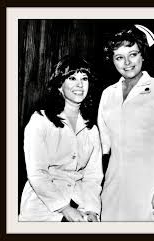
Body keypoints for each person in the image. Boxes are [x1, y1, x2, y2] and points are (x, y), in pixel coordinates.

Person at [98, 24, 154, 221]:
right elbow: (102, 146)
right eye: (119, 57)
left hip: (152, 186)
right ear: (113, 61)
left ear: (143, 55)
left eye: (133, 54)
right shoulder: (108, 94)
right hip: (114, 187)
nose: (127, 62)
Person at [19, 55, 103, 222]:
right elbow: (37, 174)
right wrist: (65, 208)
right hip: (41, 209)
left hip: (81, 206)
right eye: (72, 78)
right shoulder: (40, 121)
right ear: (59, 85)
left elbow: (93, 176)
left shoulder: (91, 128)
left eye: (84, 78)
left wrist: (92, 210)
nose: (79, 84)